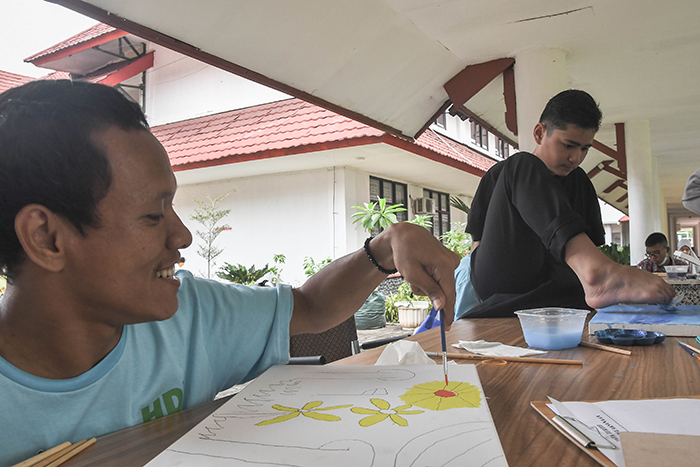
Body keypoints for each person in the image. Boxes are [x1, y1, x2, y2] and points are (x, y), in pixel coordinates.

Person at [0, 80, 460, 465]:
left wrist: (386, 245)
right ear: (46, 238)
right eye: (153, 216)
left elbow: (313, 306)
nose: (182, 237)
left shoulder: (189, 312)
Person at [455, 89, 674, 319]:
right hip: (506, 290)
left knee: (578, 177)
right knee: (522, 164)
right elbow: (479, 246)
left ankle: (595, 276)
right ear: (540, 133)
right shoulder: (504, 174)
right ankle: (596, 274)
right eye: (568, 145)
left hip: (559, 295)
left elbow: (593, 245)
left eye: (584, 149)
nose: (576, 158)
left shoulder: (580, 182)